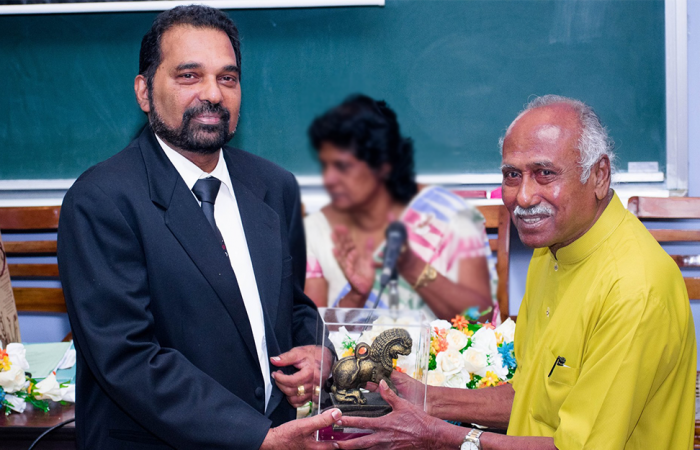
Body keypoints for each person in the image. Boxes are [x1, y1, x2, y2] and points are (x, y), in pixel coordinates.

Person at [334, 95, 696, 450]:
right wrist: (426, 398)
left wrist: (440, 436)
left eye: (544, 174)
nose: (523, 197)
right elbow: (529, 394)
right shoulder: (551, 249)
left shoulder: (634, 289)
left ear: (599, 175)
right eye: (512, 175)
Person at [57, 6, 340, 449]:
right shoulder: (100, 200)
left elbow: (291, 306)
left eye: (228, 78)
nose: (213, 93)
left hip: (279, 431)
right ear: (144, 92)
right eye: (189, 76)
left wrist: (320, 351)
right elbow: (128, 357)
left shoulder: (274, 186)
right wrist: (256, 438)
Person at [305, 94, 497, 321]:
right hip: (354, 345)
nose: (330, 178)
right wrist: (357, 295)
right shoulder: (315, 230)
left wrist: (412, 267)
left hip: (434, 345)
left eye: (343, 166)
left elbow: (480, 318)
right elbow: (312, 334)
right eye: (326, 165)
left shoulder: (451, 216)